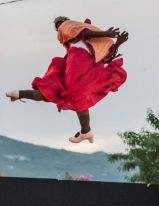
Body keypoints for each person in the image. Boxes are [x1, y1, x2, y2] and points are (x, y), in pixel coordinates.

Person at [5, 16, 128, 144]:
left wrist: (116, 40)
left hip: (84, 61)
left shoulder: (70, 29)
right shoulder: (68, 29)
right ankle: (86, 131)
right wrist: (108, 35)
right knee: (75, 93)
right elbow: (85, 34)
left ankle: (18, 94)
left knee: (57, 94)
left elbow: (102, 53)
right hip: (81, 61)